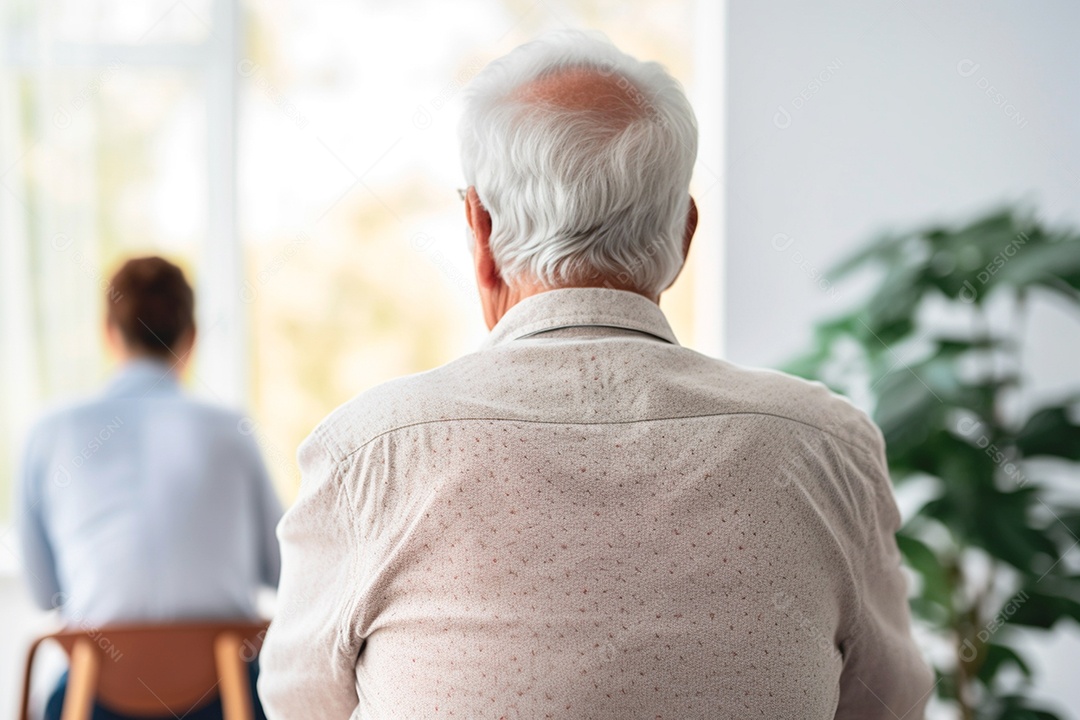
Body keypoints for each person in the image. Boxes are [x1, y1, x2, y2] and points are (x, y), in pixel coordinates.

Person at [259, 30, 934, 719]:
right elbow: (890, 704)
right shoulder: (826, 447)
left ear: (479, 227)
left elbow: (301, 707)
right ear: (683, 236)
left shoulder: (367, 454)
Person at [17, 256, 281, 720]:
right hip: (225, 698)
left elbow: (44, 594)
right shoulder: (231, 430)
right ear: (192, 336)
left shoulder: (49, 433)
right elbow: (282, 572)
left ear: (108, 331)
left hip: (96, 696)